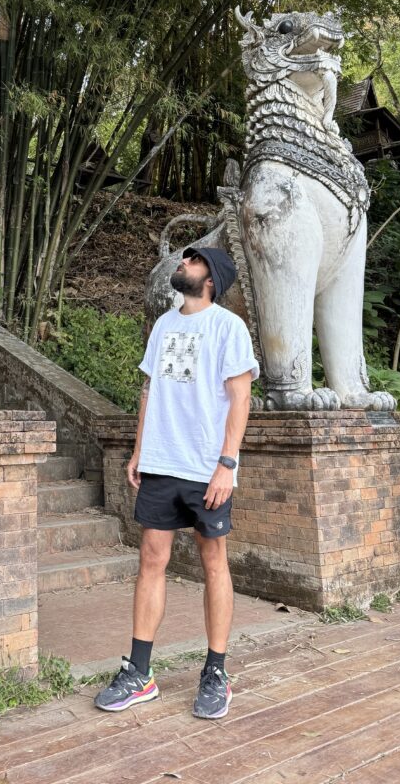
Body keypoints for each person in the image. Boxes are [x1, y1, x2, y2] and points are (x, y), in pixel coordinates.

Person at [94, 246, 259, 719]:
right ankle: (140, 672)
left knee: (213, 561)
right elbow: (149, 389)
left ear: (212, 278)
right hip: (163, 462)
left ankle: (216, 672)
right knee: (151, 558)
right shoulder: (166, 324)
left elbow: (240, 397)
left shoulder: (228, 327)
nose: (182, 263)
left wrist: (227, 463)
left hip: (208, 466)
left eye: (193, 260)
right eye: (185, 258)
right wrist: (140, 449)